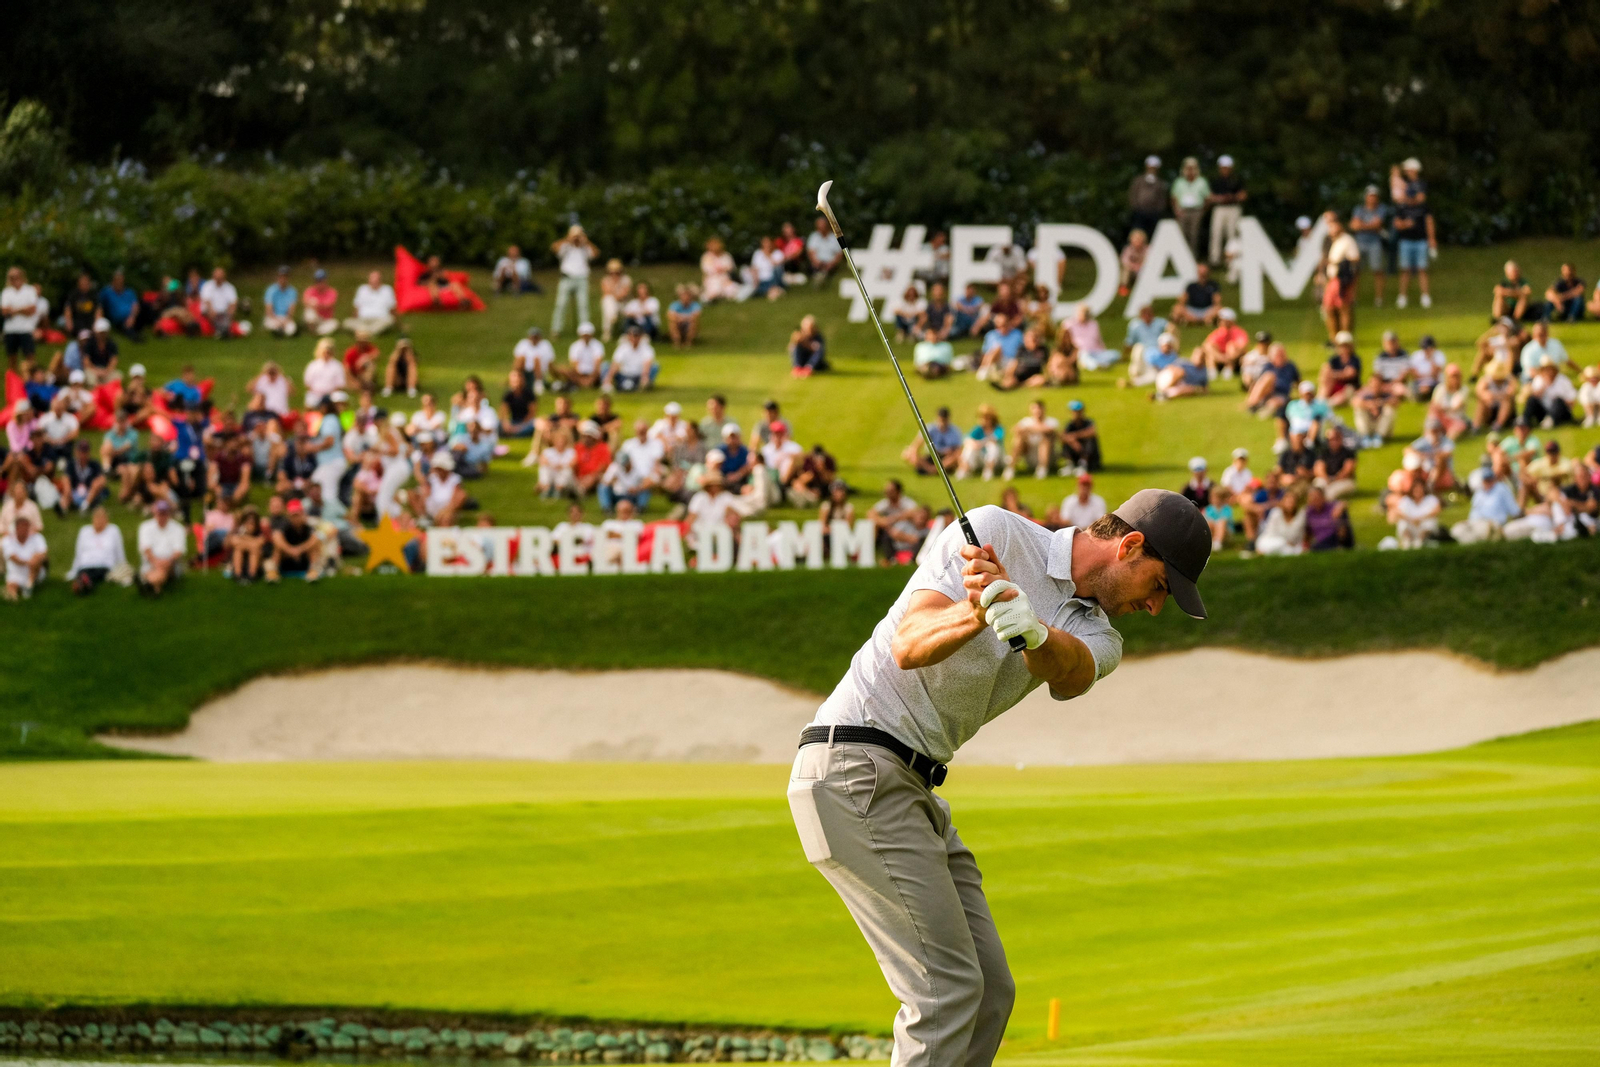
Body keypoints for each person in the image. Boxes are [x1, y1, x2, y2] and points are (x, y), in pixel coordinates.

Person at [793, 489, 1209, 1067]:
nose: (1156, 607)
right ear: (1130, 546)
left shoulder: (1103, 636)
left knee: (990, 991)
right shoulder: (995, 532)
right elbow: (909, 646)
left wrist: (1032, 630)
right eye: (1160, 587)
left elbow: (1068, 671)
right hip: (854, 764)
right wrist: (976, 610)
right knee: (945, 991)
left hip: (911, 786)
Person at [1392, 159, 1435, 309]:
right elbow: (1396, 223)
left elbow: (1429, 222)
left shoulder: (1423, 207)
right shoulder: (1402, 208)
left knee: (1422, 269)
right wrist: (1405, 224)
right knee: (1405, 270)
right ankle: (1402, 297)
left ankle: (1425, 296)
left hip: (1421, 240)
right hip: (1406, 240)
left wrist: (1432, 239)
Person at [1450, 467, 1520, 544]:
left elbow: (1514, 511)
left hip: (1492, 524)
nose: (1488, 482)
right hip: (1475, 522)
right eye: (1486, 480)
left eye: (1490, 480)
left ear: (1494, 479)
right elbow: (1474, 511)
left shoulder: (1501, 489)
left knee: (1472, 537)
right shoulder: (1479, 493)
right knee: (1456, 530)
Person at [1320, 212, 1361, 340]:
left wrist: (1337, 263)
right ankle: (1334, 337)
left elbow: (1355, 258)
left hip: (1342, 279)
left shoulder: (1347, 240)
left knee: (1344, 307)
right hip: (1332, 278)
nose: (1331, 229)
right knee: (1329, 308)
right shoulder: (1332, 241)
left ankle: (1345, 337)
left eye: (1333, 226)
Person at [551, 225, 597, 337]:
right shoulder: (565, 246)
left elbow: (595, 254)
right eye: (574, 235)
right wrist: (568, 239)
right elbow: (554, 247)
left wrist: (586, 241)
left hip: (582, 279)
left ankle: (585, 331)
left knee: (583, 306)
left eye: (578, 235)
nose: (576, 238)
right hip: (566, 278)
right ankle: (556, 330)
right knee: (561, 304)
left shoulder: (585, 247)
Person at [1349, 186, 1392, 307]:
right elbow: (1353, 226)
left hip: (1375, 243)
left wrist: (1362, 225)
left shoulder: (1381, 208)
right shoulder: (1359, 209)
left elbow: (1376, 225)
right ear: (1366, 197)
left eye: (1374, 196)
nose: (1372, 198)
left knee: (1377, 270)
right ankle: (1353, 299)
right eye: (1370, 196)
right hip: (1359, 243)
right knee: (1355, 272)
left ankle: (1379, 299)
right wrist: (1370, 226)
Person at [136, 499, 186, 594]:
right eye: (160, 513)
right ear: (154, 512)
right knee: (160, 570)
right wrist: (156, 561)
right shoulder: (145, 527)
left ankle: (148, 582)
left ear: (169, 514)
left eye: (164, 513)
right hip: (151, 562)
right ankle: (155, 587)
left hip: (172, 564)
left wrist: (167, 562)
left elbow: (178, 551)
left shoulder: (178, 528)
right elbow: (146, 549)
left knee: (162, 569)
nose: (162, 516)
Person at [1206, 155, 1247, 267]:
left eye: (1227, 167)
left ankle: (1231, 260)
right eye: (1223, 167)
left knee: (1232, 234)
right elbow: (1210, 196)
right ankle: (1214, 260)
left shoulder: (1236, 179)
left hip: (1233, 208)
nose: (1225, 169)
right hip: (1219, 208)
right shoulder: (1215, 180)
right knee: (1216, 233)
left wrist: (1232, 197)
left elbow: (1243, 195)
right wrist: (1221, 198)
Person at [1006, 401, 1058, 480]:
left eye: (1039, 408)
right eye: (1035, 408)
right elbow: (1015, 429)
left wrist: (1030, 429)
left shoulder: (1051, 421)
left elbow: (1050, 431)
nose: (1038, 411)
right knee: (1019, 439)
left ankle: (1042, 468)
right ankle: (1011, 468)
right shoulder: (1026, 421)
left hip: (1048, 458)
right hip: (1030, 455)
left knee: (1045, 440)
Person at [1170, 157, 1211, 257]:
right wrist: (1176, 210)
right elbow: (1173, 198)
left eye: (1192, 168)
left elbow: (1208, 198)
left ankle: (1193, 257)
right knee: (1182, 235)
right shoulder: (1179, 182)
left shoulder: (1202, 181)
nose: (1190, 170)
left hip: (1196, 211)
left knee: (1194, 235)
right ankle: (1180, 257)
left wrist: (1202, 211)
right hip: (1182, 210)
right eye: (1188, 168)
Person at [904, 407, 963, 476]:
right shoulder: (930, 428)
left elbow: (958, 450)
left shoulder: (954, 431)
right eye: (941, 420)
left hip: (945, 458)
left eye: (944, 420)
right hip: (931, 456)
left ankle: (936, 469)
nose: (942, 423)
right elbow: (916, 445)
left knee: (958, 456)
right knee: (907, 453)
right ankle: (932, 470)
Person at [2, 266, 42, 369]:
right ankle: (13, 382)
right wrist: (23, 309)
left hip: (26, 329)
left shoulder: (29, 290)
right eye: (12, 277)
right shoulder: (6, 292)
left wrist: (14, 310)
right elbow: (4, 311)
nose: (14, 279)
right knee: (12, 359)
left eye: (16, 276)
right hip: (11, 330)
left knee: (30, 357)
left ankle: (31, 381)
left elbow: (32, 310)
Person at [2, 514, 48, 601]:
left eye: (26, 527)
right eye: (21, 527)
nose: (24, 530)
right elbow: (13, 557)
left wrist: (33, 561)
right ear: (16, 528)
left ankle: (29, 585)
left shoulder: (37, 537)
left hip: (35, 570)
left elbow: (43, 553)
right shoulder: (7, 540)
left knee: (37, 558)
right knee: (11, 592)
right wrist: (27, 562)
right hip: (15, 572)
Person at [1523, 355, 1577, 428]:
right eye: (1545, 370)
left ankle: (1551, 420)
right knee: (1532, 400)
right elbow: (1535, 396)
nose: (1548, 372)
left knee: (1558, 400)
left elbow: (1572, 401)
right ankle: (1525, 420)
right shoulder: (1538, 380)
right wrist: (1544, 386)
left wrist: (1558, 402)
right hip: (1544, 411)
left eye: (1550, 369)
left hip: (1560, 412)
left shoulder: (1563, 380)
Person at [957, 405, 1005, 481]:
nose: (984, 420)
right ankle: (964, 470)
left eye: (986, 418)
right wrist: (973, 443)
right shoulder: (978, 429)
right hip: (981, 458)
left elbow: (995, 439)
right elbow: (967, 438)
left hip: (997, 460)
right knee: (969, 447)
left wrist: (980, 443)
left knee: (992, 446)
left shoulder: (998, 428)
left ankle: (989, 471)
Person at [1197, 308, 1248, 379]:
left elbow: (1242, 347)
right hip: (1220, 358)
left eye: (1223, 320)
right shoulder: (1220, 332)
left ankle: (1228, 369)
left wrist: (1228, 358)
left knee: (1231, 346)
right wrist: (1220, 357)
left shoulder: (1238, 332)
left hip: (1234, 360)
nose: (1221, 322)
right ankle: (1212, 371)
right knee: (1209, 349)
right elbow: (1207, 345)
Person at [604, 324, 657, 392]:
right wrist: (609, 377)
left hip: (639, 375)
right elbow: (616, 363)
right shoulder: (622, 348)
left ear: (640, 337)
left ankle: (645, 385)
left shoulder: (647, 349)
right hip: (624, 374)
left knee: (654, 367)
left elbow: (647, 363)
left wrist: (644, 377)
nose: (634, 338)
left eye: (636, 336)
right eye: (632, 336)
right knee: (606, 366)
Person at [1127, 155, 1168, 238]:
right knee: (1137, 233)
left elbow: (1162, 199)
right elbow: (1133, 194)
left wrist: (1158, 210)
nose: (1152, 168)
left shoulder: (1160, 183)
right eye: (1150, 166)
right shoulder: (1138, 180)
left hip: (1154, 214)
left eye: (1154, 167)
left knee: (1153, 234)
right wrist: (1136, 207)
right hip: (1139, 212)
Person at [346, 270, 398, 335]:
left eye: (376, 280)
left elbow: (392, 309)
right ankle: (368, 331)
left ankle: (364, 332)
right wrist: (354, 318)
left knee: (389, 320)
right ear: (369, 280)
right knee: (347, 322)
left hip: (381, 319)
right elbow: (356, 308)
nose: (374, 282)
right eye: (372, 280)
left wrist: (397, 323)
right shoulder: (362, 289)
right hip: (364, 319)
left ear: (380, 280)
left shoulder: (387, 290)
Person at [1255, 491, 1306, 556]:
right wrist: (1284, 542)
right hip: (1274, 541)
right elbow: (1270, 533)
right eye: (1288, 502)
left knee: (1292, 549)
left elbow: (1298, 535)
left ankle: (1268, 553)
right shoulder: (1275, 513)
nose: (1290, 505)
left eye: (1292, 502)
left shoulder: (1301, 515)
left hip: (1293, 545)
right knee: (1264, 543)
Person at [1170, 262, 1221, 327]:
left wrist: (1213, 309)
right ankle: (1198, 320)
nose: (1202, 275)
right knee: (1177, 308)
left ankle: (1197, 321)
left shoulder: (1213, 285)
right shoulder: (1191, 286)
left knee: (1219, 309)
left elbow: (1217, 301)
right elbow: (1182, 301)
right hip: (1193, 310)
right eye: (1201, 273)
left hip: (1207, 310)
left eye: (1204, 273)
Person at [198, 266, 240, 339]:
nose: (218, 279)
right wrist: (212, 310)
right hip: (210, 312)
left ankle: (223, 331)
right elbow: (207, 301)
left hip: (224, 313)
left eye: (220, 277)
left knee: (227, 316)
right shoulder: (207, 286)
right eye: (217, 277)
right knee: (213, 314)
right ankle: (222, 331)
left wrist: (231, 312)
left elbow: (233, 302)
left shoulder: (229, 287)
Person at [562, 322, 606, 389]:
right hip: (580, 373)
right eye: (584, 335)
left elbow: (598, 364)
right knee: (563, 369)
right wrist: (581, 378)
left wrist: (591, 378)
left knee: (606, 367)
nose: (586, 337)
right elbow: (574, 364)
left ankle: (585, 383)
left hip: (593, 373)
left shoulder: (598, 345)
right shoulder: (575, 346)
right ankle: (582, 383)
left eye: (587, 335)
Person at [263, 266, 299, 337]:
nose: (283, 279)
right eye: (281, 277)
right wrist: (277, 320)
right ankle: (277, 331)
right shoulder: (271, 290)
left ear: (288, 278)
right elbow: (268, 310)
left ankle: (281, 331)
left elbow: (291, 310)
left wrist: (286, 320)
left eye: (285, 277)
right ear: (277, 277)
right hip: (273, 317)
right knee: (271, 324)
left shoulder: (292, 291)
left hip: (285, 318)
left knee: (291, 330)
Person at [302, 269, 339, 336]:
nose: (319, 283)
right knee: (309, 311)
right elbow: (305, 302)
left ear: (326, 280)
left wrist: (316, 305)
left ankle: (318, 332)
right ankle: (313, 330)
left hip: (326, 319)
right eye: (317, 280)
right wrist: (316, 305)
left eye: (321, 280)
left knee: (335, 323)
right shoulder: (310, 290)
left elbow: (329, 305)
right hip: (316, 317)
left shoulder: (332, 292)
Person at [806, 216, 843, 283]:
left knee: (828, 271)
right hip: (818, 263)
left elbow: (839, 254)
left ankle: (822, 278)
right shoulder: (814, 236)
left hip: (831, 264)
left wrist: (831, 264)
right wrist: (816, 262)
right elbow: (811, 252)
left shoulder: (834, 238)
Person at [700, 237, 738, 302]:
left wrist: (723, 269)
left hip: (725, 278)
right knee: (715, 290)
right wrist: (717, 270)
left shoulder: (726, 255)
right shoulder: (706, 256)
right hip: (713, 278)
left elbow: (731, 267)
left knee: (733, 290)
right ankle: (707, 298)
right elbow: (706, 269)